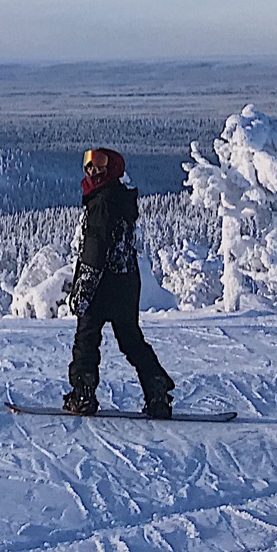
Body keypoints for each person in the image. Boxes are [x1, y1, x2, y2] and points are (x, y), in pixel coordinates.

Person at [63, 147, 175, 418]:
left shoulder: (102, 202)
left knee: (86, 339)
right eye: (88, 164)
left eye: (100, 164)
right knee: (131, 340)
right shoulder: (121, 198)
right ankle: (157, 390)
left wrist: (84, 287)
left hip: (103, 285)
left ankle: (83, 394)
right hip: (125, 282)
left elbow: (95, 248)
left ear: (113, 169)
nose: (93, 170)